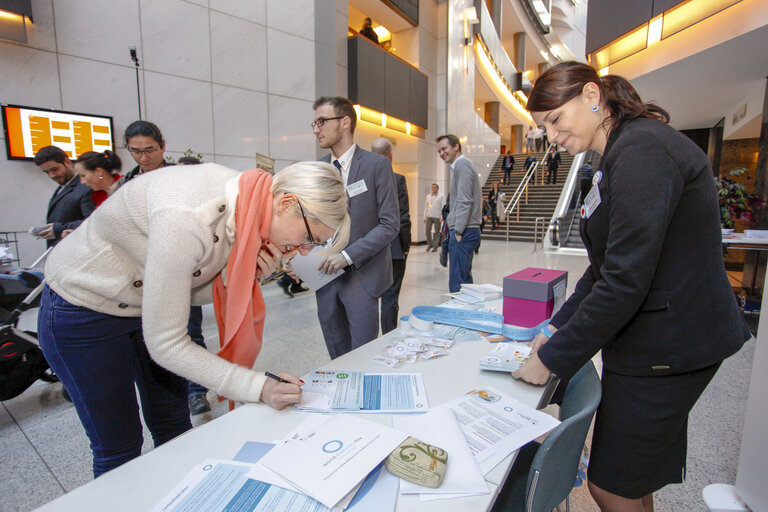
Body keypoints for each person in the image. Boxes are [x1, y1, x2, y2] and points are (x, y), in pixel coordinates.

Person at [510, 61, 750, 512]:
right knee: (633, 477)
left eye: (555, 120)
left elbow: (623, 281)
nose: (552, 137)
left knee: (609, 486)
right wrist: (554, 330)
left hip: (670, 345)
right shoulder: (621, 152)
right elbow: (603, 270)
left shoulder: (641, 151)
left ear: (590, 95)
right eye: (544, 128)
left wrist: (552, 360)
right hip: (656, 339)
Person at [38, 161, 351, 477]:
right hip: (81, 309)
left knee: (174, 425)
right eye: (308, 239)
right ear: (286, 204)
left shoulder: (249, 207)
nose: (303, 251)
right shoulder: (188, 217)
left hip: (139, 303)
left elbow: (187, 287)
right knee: (119, 446)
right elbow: (167, 343)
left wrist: (241, 276)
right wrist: (257, 386)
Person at [120, 121, 212, 416]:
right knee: (155, 333)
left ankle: (197, 391)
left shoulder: (180, 177)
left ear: (162, 146)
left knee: (189, 329)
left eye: (149, 150)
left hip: (182, 263)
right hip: (144, 267)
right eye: (136, 151)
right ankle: (167, 389)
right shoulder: (128, 182)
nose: (143, 157)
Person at [311, 96, 399, 359]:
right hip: (324, 279)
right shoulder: (317, 171)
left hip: (362, 277)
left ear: (345, 122)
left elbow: (389, 224)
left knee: (362, 357)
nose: (316, 129)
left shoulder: (377, 166)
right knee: (336, 357)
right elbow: (309, 223)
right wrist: (297, 257)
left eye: (322, 121)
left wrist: (347, 256)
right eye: (314, 123)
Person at [371, 137, 411, 334]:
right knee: (390, 297)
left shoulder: (362, 181)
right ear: (390, 155)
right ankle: (388, 338)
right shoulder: (397, 179)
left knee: (368, 296)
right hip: (393, 248)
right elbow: (402, 217)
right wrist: (405, 247)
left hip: (368, 249)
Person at [436, 134, 482, 293]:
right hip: (465, 230)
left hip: (464, 230)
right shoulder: (460, 166)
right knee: (464, 281)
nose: (442, 153)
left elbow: (464, 199)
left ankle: (459, 314)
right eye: (439, 151)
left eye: (444, 149)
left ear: (456, 146)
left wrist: (459, 230)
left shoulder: (462, 165)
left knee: (458, 283)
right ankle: (465, 314)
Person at [33, 146, 95, 247]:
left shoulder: (86, 187)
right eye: (47, 172)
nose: (52, 175)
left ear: (67, 162)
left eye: (54, 169)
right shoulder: (61, 188)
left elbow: (93, 221)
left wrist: (58, 229)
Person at [424, 183, 445, 252]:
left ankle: (435, 246)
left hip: (437, 216)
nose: (433, 189)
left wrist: (442, 216)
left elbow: (443, 207)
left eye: (435, 188)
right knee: (427, 230)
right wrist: (425, 217)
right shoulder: (428, 196)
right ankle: (430, 244)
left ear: (437, 188)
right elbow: (426, 207)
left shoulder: (441, 196)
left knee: (437, 231)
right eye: (432, 187)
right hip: (429, 216)